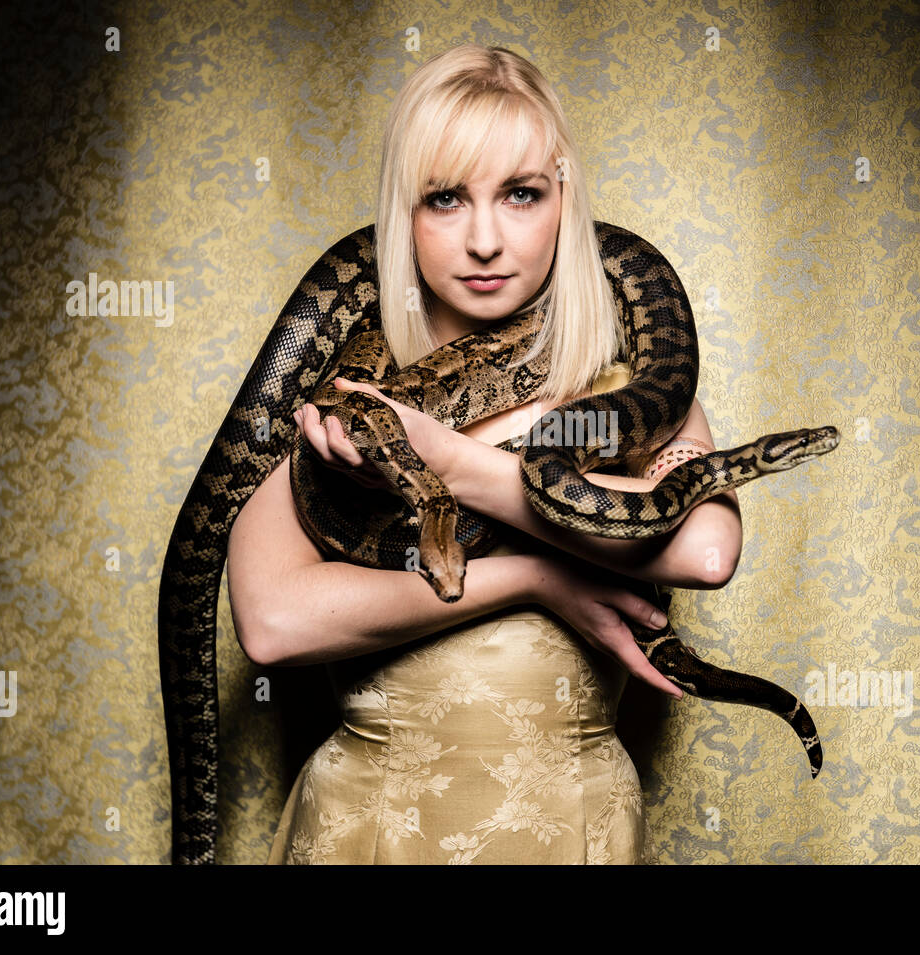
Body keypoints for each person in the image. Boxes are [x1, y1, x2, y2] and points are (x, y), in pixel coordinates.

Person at [227, 44, 742, 864]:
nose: (485, 240)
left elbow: (707, 549)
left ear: (566, 204)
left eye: (521, 194)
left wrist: (453, 465)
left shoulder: (621, 389)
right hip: (372, 827)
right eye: (445, 199)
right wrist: (542, 578)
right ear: (403, 216)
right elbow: (270, 622)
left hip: (569, 829)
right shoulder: (343, 401)